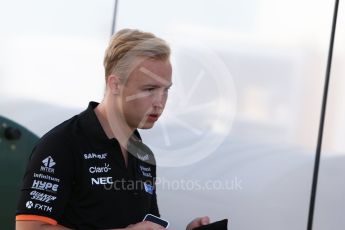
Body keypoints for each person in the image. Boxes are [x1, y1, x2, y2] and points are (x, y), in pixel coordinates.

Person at [15, 29, 210, 229]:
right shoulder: (61, 144)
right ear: (115, 84)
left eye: (166, 90)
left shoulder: (143, 154)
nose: (160, 102)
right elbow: (29, 228)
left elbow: (146, 225)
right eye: (149, 89)